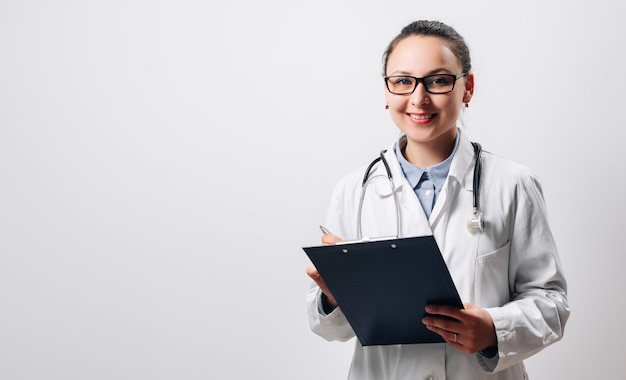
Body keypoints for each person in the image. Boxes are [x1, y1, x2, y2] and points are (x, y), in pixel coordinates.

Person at [305, 20, 570, 379]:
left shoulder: (513, 184)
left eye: (438, 80)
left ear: (468, 88)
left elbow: (551, 302)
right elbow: (328, 327)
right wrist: (333, 297)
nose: (418, 98)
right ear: (386, 92)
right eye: (402, 81)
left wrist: (494, 329)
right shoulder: (355, 190)